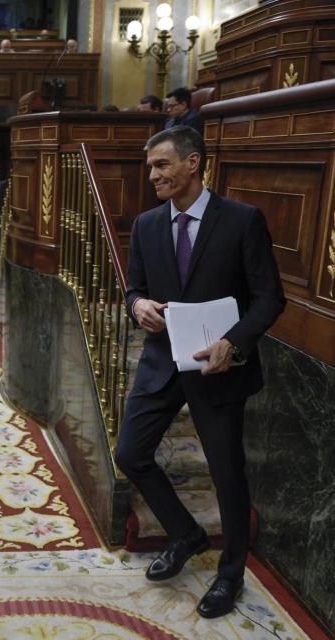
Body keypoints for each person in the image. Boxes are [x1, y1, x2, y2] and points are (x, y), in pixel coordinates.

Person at [114, 126, 285, 619]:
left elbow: (270, 298)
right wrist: (137, 305)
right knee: (131, 453)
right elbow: (134, 289)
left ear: (192, 164)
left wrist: (234, 342)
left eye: (162, 165)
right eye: (150, 167)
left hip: (218, 368)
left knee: (227, 475)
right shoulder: (146, 225)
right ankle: (186, 534)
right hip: (161, 363)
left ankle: (230, 574)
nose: (153, 176)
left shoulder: (242, 221)